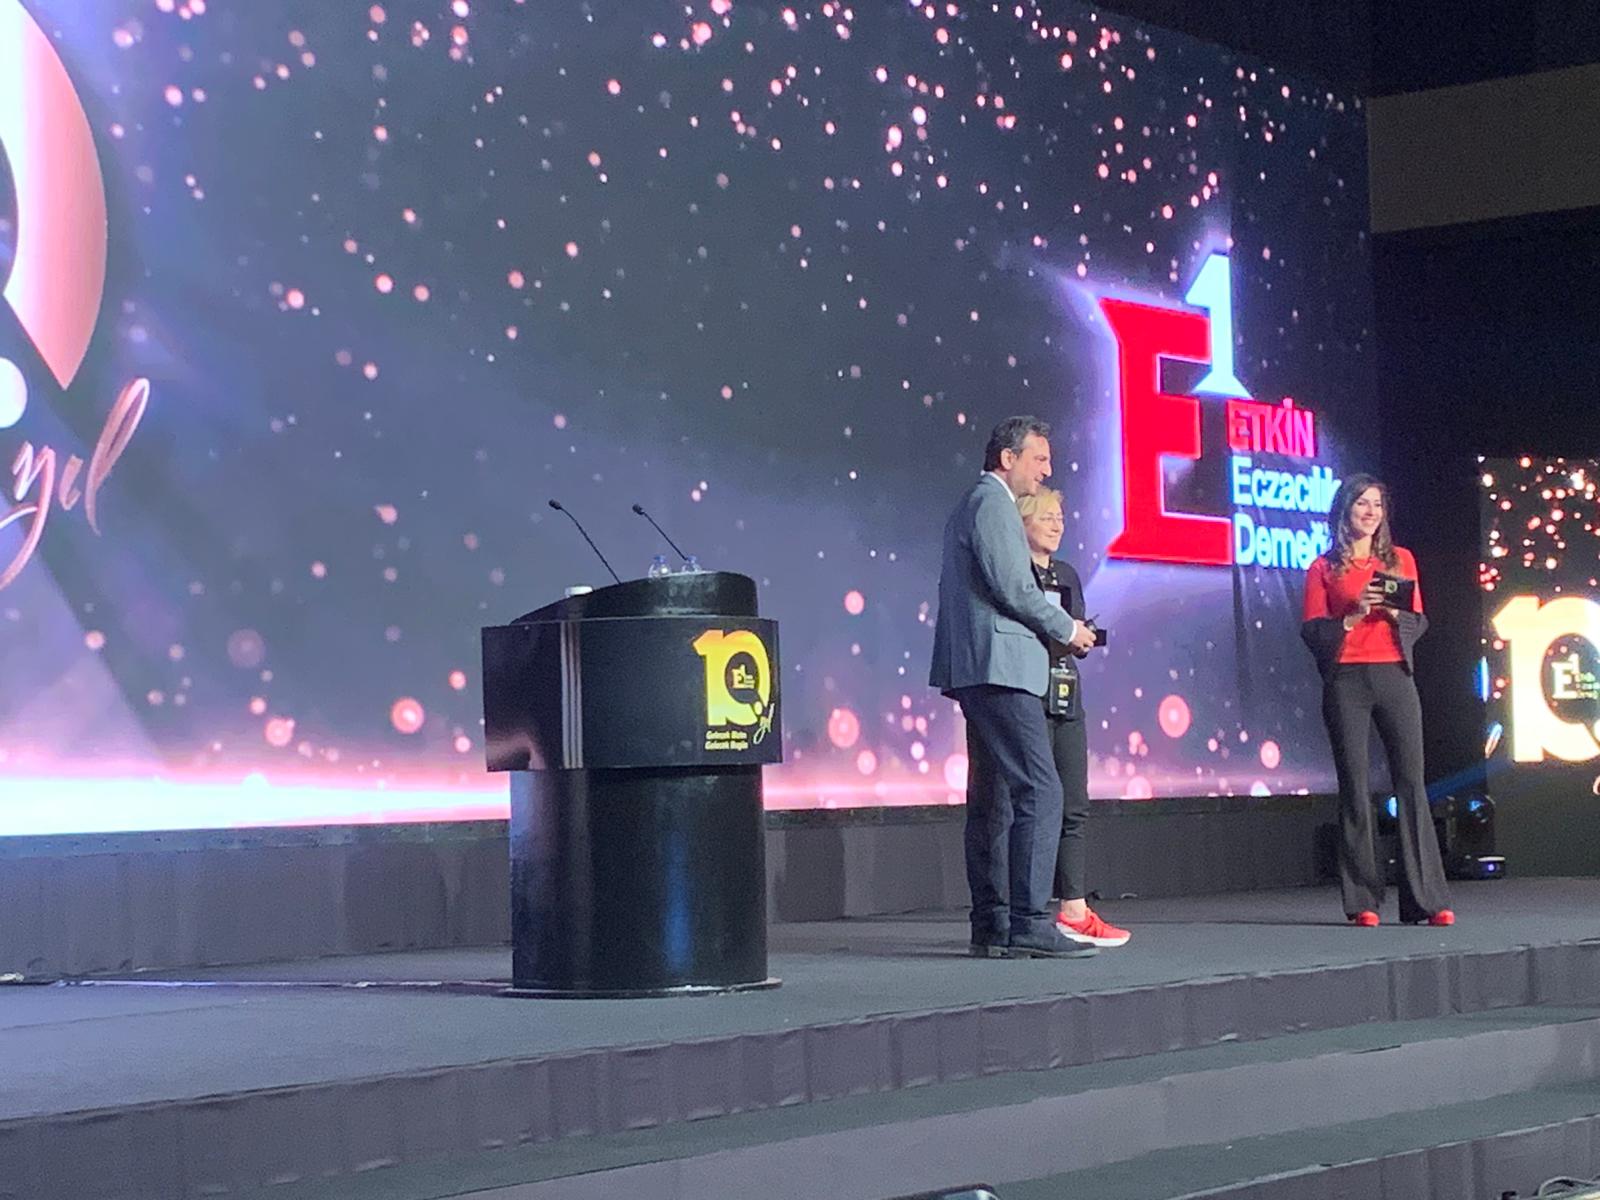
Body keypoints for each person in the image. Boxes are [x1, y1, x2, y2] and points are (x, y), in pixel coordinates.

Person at [930, 416, 1099, 959]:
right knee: (1042, 790)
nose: (1047, 469)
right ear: (1008, 458)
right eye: (1039, 458)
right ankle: (1028, 921)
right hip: (1000, 668)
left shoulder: (976, 503)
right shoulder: (993, 503)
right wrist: (1068, 629)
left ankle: (993, 921)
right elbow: (1015, 589)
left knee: (994, 797)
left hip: (981, 668)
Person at [1301, 474, 1454, 928]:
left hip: (1395, 675)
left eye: (1377, 505)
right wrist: (1354, 614)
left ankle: (1425, 900)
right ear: (1344, 510)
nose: (1370, 512)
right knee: (1355, 786)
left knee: (1411, 783)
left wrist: (1393, 613)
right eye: (1361, 504)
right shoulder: (1323, 567)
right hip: (1347, 680)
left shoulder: (1400, 560)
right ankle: (1363, 900)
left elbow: (1418, 620)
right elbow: (1312, 631)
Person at [1015, 487, 1130, 948]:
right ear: (1022, 521)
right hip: (1026, 695)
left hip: (1066, 695)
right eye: (1046, 516)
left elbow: (1073, 630)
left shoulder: (1066, 574)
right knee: (1032, 802)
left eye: (1060, 517)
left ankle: (1075, 909)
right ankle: (1025, 910)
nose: (1057, 525)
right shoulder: (1013, 574)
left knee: (1073, 803)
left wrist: (1082, 638)